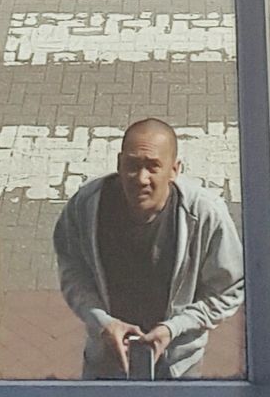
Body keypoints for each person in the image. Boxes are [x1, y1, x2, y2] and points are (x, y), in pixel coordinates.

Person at [53, 118, 243, 379]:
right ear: (119, 164)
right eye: (132, 165)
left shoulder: (206, 215)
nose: (141, 178)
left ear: (175, 170)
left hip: (178, 366)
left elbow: (229, 289)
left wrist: (173, 329)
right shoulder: (85, 207)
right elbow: (73, 274)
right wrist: (103, 323)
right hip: (106, 360)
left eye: (153, 167)